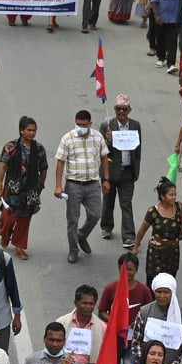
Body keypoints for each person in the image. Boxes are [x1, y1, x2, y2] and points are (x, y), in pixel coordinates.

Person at [54, 108, 108, 264]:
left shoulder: (98, 137)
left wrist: (106, 179)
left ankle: (82, 234)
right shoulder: (67, 138)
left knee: (96, 215)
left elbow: (105, 157)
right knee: (72, 219)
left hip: (92, 184)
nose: (81, 127)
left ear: (90, 123)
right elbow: (60, 162)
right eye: (78, 124)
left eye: (84, 125)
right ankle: (73, 250)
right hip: (73, 185)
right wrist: (59, 186)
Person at [0, 117, 49, 260]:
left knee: (24, 219)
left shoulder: (39, 149)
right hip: (13, 188)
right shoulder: (10, 147)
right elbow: (3, 166)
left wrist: (41, 185)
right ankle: (5, 233)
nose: (32, 133)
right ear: (21, 131)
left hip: (31, 190)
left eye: (34, 130)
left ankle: (19, 246)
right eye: (29, 130)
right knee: (8, 217)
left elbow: (43, 168)